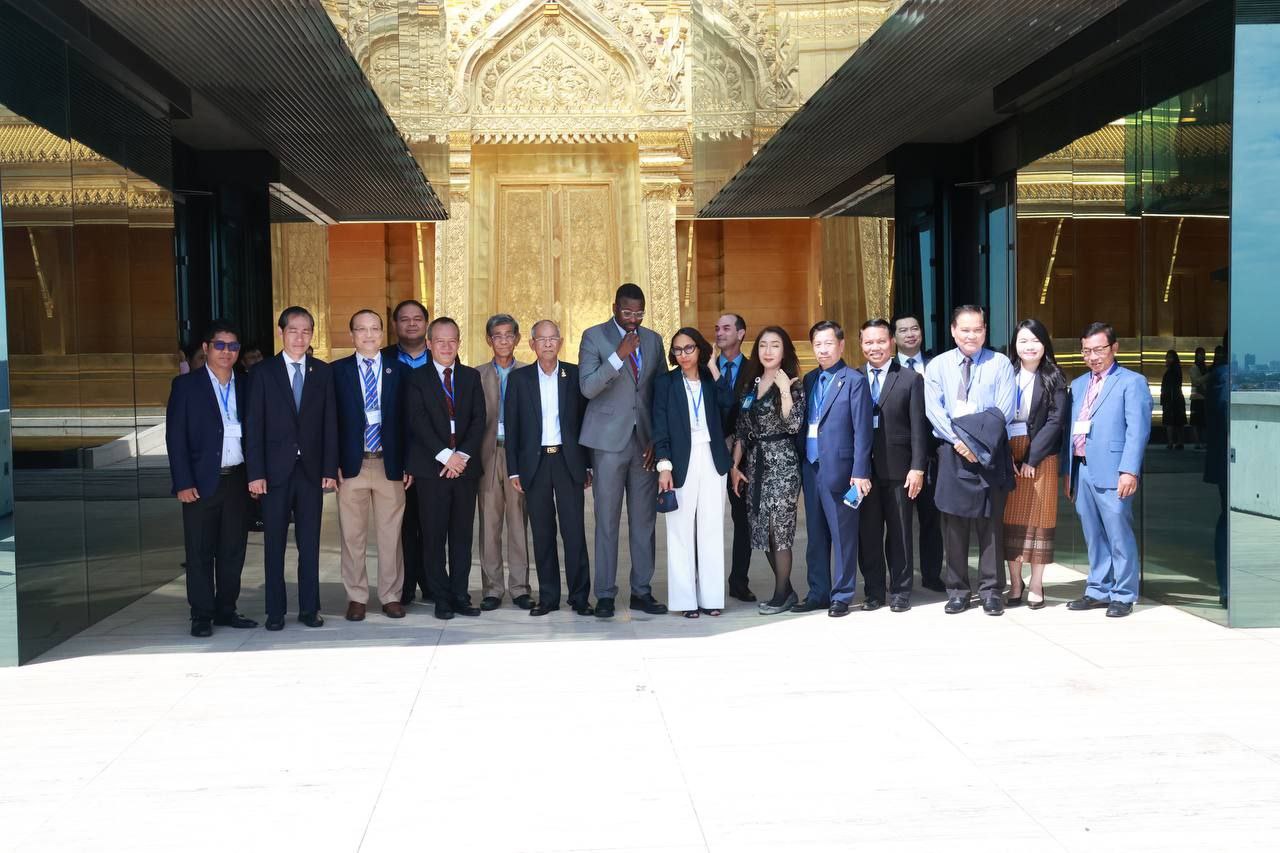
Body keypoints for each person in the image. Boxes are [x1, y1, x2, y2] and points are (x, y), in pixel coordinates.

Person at [245, 306, 338, 630]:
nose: (300, 337)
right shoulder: (262, 372)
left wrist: (330, 468)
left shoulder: (322, 372)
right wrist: (255, 473)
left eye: (306, 331)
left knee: (309, 544)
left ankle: (310, 609)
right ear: (281, 332)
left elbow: (330, 424)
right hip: (274, 473)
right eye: (293, 330)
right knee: (274, 544)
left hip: (311, 471)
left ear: (312, 335)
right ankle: (275, 611)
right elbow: (254, 426)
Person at [578, 283, 667, 618]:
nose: (633, 319)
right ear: (614, 307)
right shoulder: (593, 336)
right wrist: (619, 355)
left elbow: (660, 391)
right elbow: (587, 387)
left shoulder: (654, 340)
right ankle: (604, 594)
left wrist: (657, 439)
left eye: (639, 313)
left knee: (644, 522)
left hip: (644, 443)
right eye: (627, 312)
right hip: (607, 443)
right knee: (607, 521)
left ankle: (641, 591)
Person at [166, 320, 257, 637]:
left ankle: (227, 609)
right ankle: (201, 614)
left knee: (233, 550)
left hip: (237, 480)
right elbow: (175, 438)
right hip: (201, 482)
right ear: (206, 348)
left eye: (233, 346)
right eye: (220, 345)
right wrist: (182, 482)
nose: (226, 352)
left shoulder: (246, 384)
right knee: (200, 551)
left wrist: (256, 477)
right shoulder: (186, 387)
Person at [924, 305, 1015, 616]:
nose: (971, 335)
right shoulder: (938, 366)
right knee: (954, 524)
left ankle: (991, 591)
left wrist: (977, 444)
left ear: (985, 330)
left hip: (990, 451)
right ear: (953, 331)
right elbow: (934, 411)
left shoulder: (1000, 363)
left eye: (977, 329)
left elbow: (1004, 410)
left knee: (991, 525)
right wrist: (960, 441)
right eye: (965, 330)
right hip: (953, 452)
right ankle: (958, 591)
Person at [1063, 322, 1152, 618]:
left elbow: (1137, 431)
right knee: (1093, 534)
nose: (1093, 356)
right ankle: (1098, 589)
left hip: (1114, 470)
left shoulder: (1132, 382)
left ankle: (1124, 594)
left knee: (1118, 534)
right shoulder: (1078, 385)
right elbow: (1070, 431)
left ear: (1114, 348)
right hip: (1081, 468)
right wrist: (1068, 471)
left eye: (1099, 349)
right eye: (1086, 351)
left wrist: (1130, 470)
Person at [506, 320, 595, 616]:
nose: (547, 343)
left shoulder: (574, 374)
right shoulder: (519, 379)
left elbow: (585, 421)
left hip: (568, 462)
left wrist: (588, 465)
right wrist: (514, 470)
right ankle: (548, 597)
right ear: (532, 344)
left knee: (574, 532)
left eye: (552, 338)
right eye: (541, 339)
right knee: (542, 533)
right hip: (536, 463)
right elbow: (513, 427)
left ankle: (579, 597)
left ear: (560, 342)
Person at [404, 317, 486, 620]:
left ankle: (460, 595)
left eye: (452, 341)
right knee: (434, 536)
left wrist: (460, 456)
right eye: (440, 341)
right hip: (432, 470)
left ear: (459, 343)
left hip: (464, 469)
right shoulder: (416, 378)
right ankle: (441, 597)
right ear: (429, 344)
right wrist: (445, 456)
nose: (447, 347)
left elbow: (479, 419)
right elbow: (417, 421)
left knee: (462, 536)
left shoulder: (471, 376)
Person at [333, 309, 411, 621]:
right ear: (351, 334)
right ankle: (356, 596)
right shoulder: (337, 372)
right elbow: (329, 422)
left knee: (391, 535)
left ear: (382, 333)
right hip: (351, 466)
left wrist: (408, 463)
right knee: (352, 536)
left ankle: (391, 595)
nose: (368, 335)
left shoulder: (399, 371)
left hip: (388, 465)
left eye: (374, 329)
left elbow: (409, 422)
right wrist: (332, 463)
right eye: (361, 329)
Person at [794, 320, 873, 617]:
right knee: (815, 535)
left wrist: (860, 471)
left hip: (842, 469)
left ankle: (842, 594)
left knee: (843, 536)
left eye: (829, 343)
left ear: (841, 345)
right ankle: (818, 592)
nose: (823, 349)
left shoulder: (854, 380)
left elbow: (863, 430)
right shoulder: (810, 379)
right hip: (812, 466)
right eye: (818, 344)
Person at [653, 327, 734, 617]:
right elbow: (659, 425)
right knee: (679, 531)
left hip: (712, 459)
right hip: (679, 461)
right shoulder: (665, 383)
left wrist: (713, 367)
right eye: (677, 350)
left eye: (689, 348)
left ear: (699, 349)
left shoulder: (711, 381)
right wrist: (664, 465)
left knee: (711, 529)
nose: (683, 354)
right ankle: (685, 600)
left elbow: (730, 406)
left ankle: (711, 598)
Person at [729, 327, 805, 615]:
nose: (768, 351)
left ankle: (781, 594)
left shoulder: (793, 385)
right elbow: (741, 430)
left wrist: (784, 390)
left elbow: (793, 425)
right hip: (755, 464)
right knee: (762, 530)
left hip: (782, 464)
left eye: (775, 345)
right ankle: (787, 592)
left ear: (784, 351)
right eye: (763, 345)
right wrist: (735, 466)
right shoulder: (751, 385)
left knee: (779, 530)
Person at [857, 319, 929, 613]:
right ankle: (873, 591)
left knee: (900, 533)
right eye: (868, 342)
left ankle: (900, 591)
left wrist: (918, 467)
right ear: (861, 344)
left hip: (900, 469)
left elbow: (919, 428)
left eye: (880, 341)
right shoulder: (853, 378)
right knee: (868, 534)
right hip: (863, 472)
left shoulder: (910, 379)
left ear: (891, 343)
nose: (875, 347)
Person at [1002, 319, 1068, 611]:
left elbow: (1056, 420)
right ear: (1015, 345)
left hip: (1042, 456)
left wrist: (1031, 457)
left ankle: (1037, 583)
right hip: (1008, 454)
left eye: (1035, 340)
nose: (1029, 346)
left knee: (1040, 519)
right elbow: (994, 414)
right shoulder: (1006, 373)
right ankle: (1016, 583)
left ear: (1044, 344)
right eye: (1023, 341)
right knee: (1011, 520)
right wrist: (1005, 455)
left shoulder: (1054, 376)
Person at [475, 314, 532, 611]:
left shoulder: (528, 373)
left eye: (509, 335)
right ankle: (492, 588)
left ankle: (520, 588)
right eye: (497, 335)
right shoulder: (477, 375)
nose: (504, 340)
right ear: (489, 340)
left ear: (517, 339)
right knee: (489, 522)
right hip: (488, 454)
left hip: (517, 454)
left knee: (518, 522)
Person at [385, 299, 433, 607]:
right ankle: (403, 585)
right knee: (401, 524)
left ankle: (431, 581)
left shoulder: (441, 354)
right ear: (395, 325)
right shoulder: (383, 358)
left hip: (434, 455)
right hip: (397, 454)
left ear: (426, 324)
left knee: (431, 522)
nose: (412, 324)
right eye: (405, 319)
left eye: (417, 318)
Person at [892, 313, 944, 592]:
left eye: (915, 328)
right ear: (894, 337)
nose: (910, 334)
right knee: (898, 521)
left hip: (933, 454)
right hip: (899, 456)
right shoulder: (888, 369)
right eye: (903, 330)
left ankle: (932, 575)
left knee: (931, 518)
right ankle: (899, 578)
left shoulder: (937, 365)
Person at [714, 312, 755, 602]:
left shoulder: (754, 369)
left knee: (743, 520)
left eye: (726, 328)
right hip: (710, 452)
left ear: (741, 333)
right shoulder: (705, 368)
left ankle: (739, 581)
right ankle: (705, 581)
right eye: (717, 328)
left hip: (743, 456)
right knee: (706, 520)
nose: (719, 333)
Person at [1161, 349, 1187, 450]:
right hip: (1175, 398)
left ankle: (1171, 441)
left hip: (1172, 399)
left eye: (1170, 357)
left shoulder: (1172, 371)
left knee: (1170, 421)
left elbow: (1170, 386)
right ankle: (1178, 441)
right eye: (1167, 357)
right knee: (1178, 422)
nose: (1167, 359)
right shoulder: (1176, 370)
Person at [1189, 346, 1208, 449]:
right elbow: (1196, 381)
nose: (1202, 356)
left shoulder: (1206, 368)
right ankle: (1197, 442)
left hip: (1204, 398)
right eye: (1200, 354)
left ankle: (1203, 441)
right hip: (1196, 398)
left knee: (1202, 422)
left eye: (1203, 354)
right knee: (1196, 422)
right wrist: (1208, 376)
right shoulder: (1194, 368)